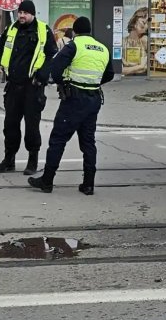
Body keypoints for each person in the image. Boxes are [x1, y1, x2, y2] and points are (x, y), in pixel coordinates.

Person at [28, 16, 114, 194]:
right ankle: (88, 184)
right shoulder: (103, 49)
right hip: (94, 99)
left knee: (58, 139)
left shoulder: (73, 46)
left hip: (74, 99)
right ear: (90, 31)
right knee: (88, 142)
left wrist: (63, 83)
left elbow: (55, 69)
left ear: (74, 31)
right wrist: (93, 83)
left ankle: (47, 180)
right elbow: (110, 74)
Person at [0, 0, 57, 175]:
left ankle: (32, 161)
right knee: (10, 125)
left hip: (32, 87)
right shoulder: (11, 29)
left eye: (25, 13)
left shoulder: (43, 30)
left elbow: (52, 55)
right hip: (13, 86)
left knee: (32, 127)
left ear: (32, 14)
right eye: (20, 12)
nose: (21, 15)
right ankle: (9, 160)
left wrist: (42, 75)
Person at [122, 7, 148, 75]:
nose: (145, 22)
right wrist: (139, 67)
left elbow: (144, 67)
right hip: (127, 79)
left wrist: (131, 69)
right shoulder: (123, 42)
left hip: (142, 79)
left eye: (147, 21)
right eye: (143, 17)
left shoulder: (144, 41)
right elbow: (120, 70)